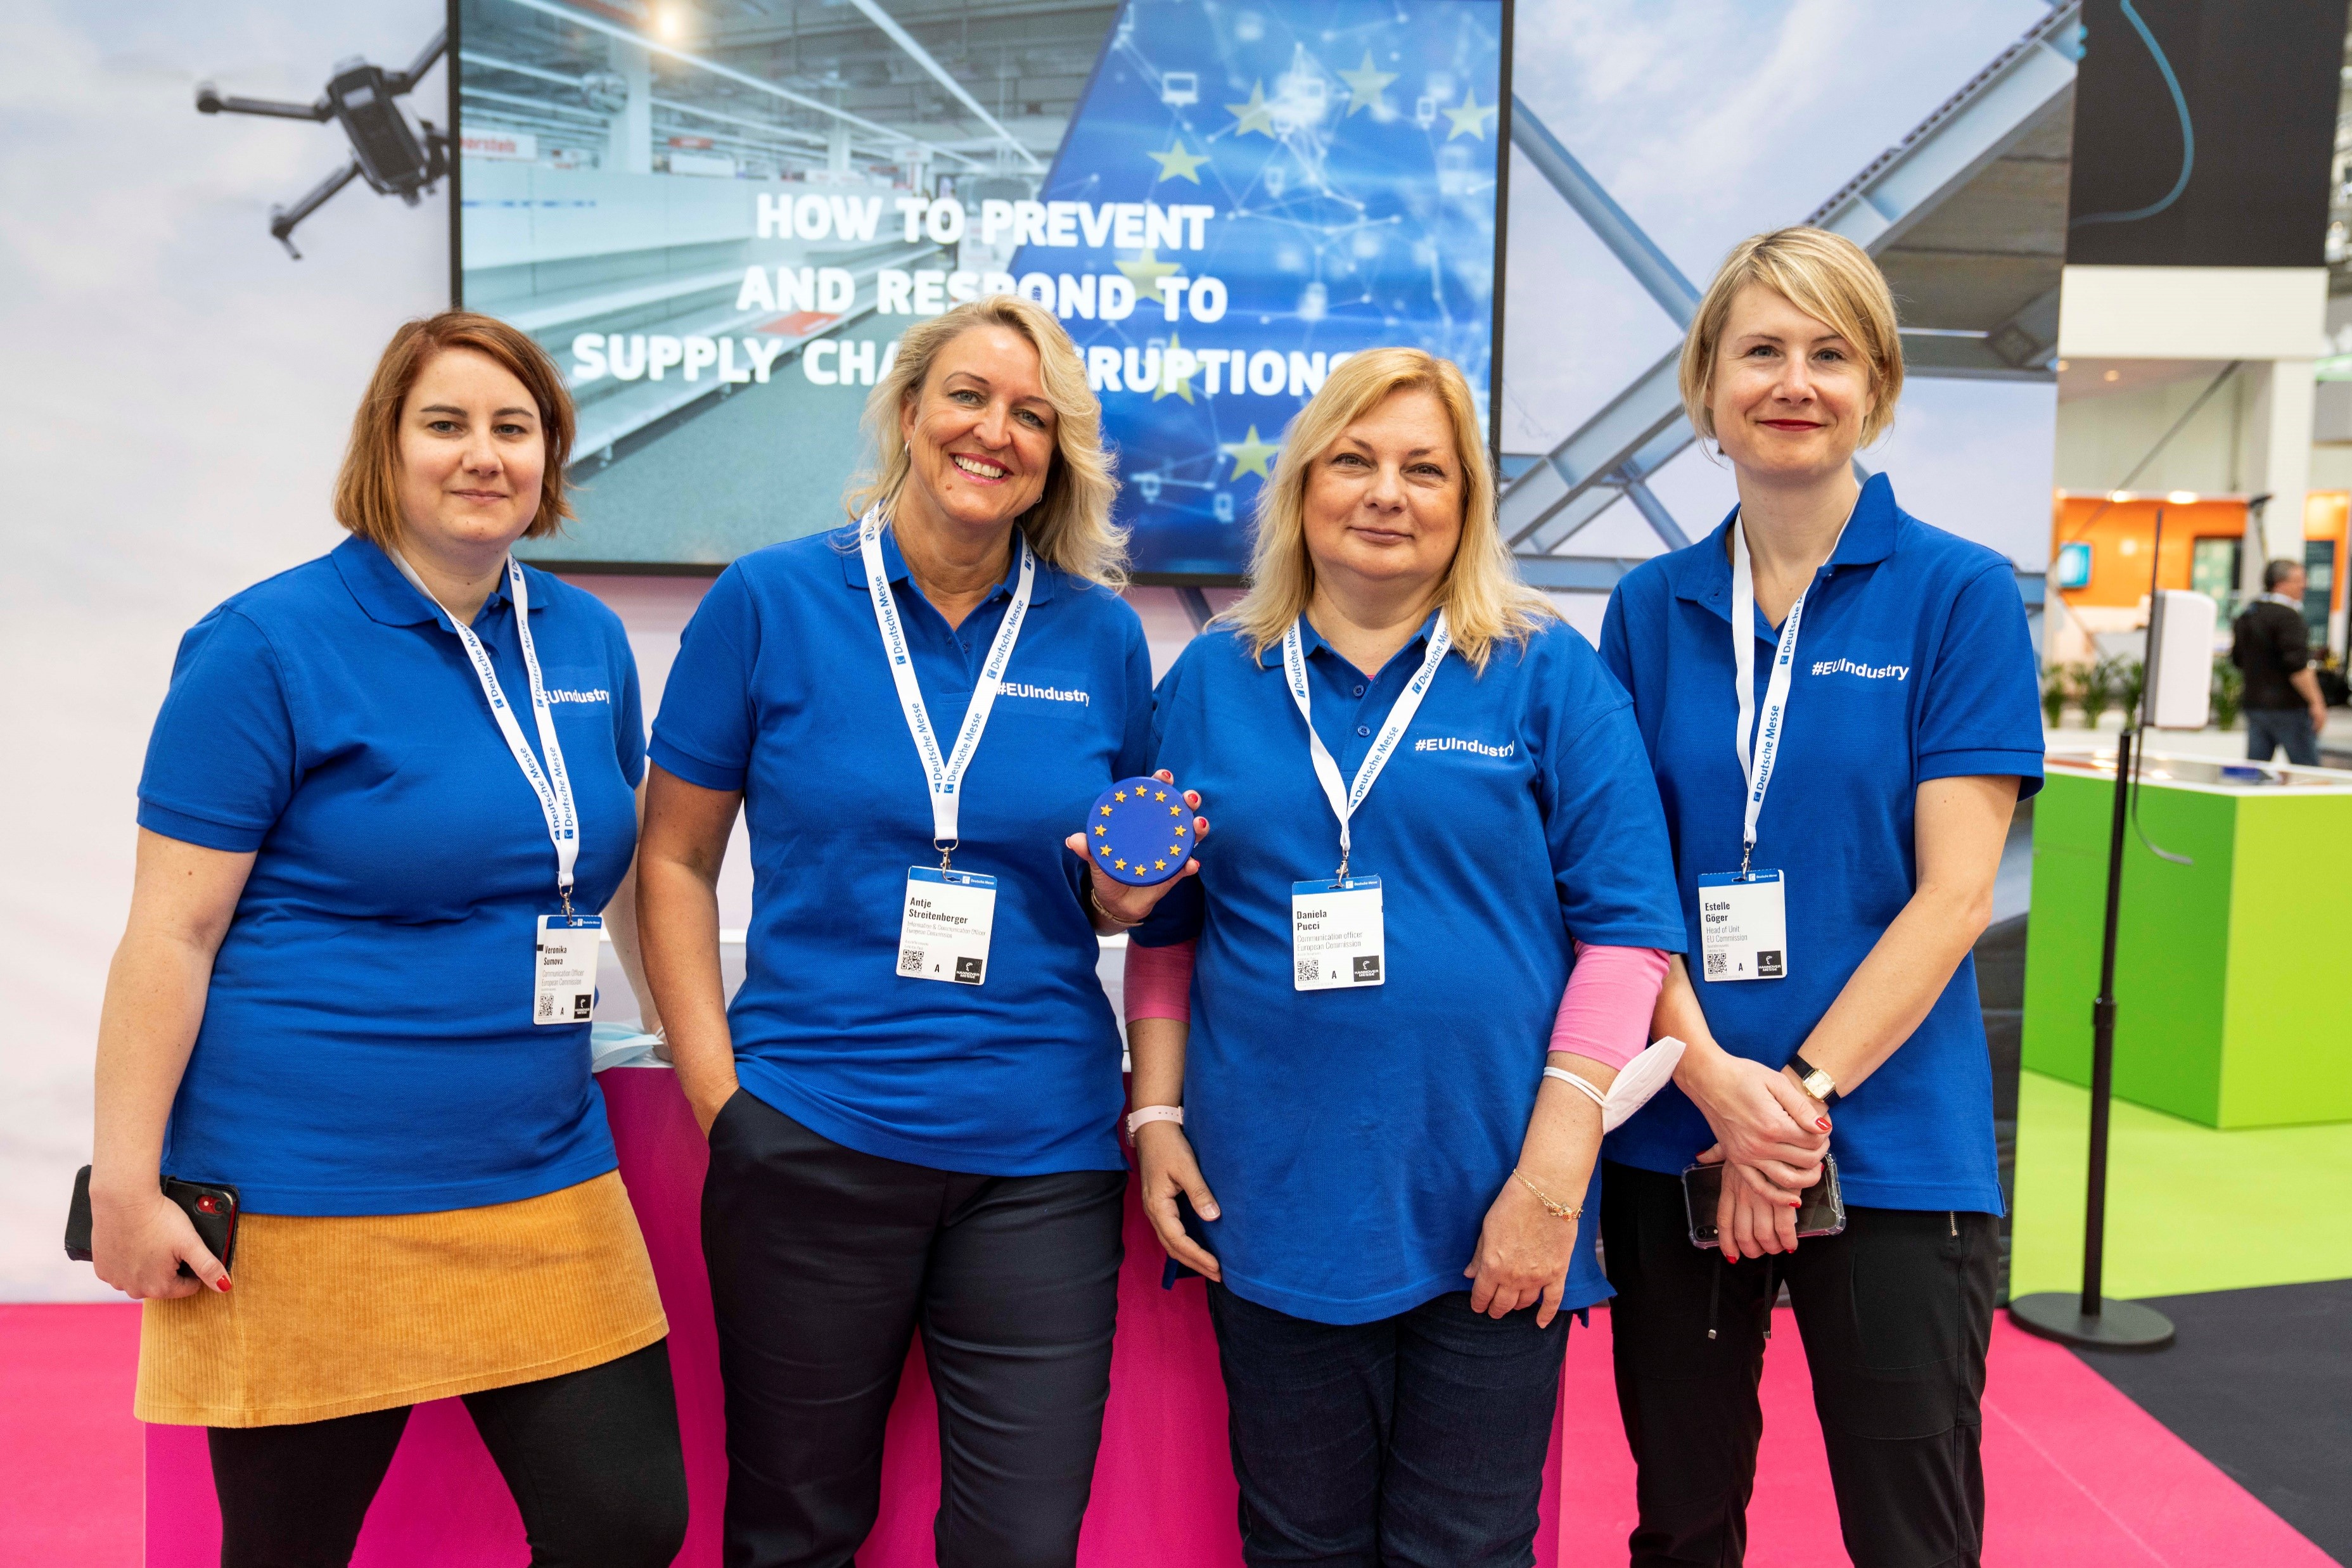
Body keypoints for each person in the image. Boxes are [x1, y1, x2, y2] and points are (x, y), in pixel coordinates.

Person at [87, 312, 687, 1567]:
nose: (483, 454)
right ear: (385, 448)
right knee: (289, 1547)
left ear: (550, 456)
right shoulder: (264, 646)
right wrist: (128, 1183)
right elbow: (172, 931)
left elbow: (616, 870)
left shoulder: (580, 638)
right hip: (309, 1191)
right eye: (446, 424)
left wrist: (702, 1055)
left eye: (513, 428)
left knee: (626, 1521)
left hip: (540, 1174)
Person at [636, 295, 1201, 1568]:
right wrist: (718, 1091)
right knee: (795, 1527)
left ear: (1054, 453)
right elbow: (670, 855)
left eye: (1029, 414)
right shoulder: (769, 600)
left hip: (1038, 1160)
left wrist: (1120, 899)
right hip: (810, 1136)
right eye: (965, 394)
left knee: (1019, 1542)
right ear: (905, 410)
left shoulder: (1101, 636)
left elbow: (1110, 888)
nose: (991, 430)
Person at [1120, 348, 1689, 1568]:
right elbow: (1167, 933)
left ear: (1467, 503)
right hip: (1268, 1200)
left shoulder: (1545, 672)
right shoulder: (1211, 681)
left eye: (1424, 469)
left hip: (1494, 1194)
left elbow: (1629, 936)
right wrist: (1154, 1114)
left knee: (1468, 1548)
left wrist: (1547, 1186)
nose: (1387, 492)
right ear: (1302, 488)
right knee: (1295, 1544)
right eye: (1355, 461)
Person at [1597, 227, 2045, 1568]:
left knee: (1910, 1532)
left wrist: (1784, 1103)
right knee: (1681, 1516)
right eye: (1760, 351)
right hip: (1676, 1131)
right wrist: (1719, 1092)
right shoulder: (1647, 606)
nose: (1792, 381)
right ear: (1704, 388)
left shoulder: (1955, 592)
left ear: (1876, 385)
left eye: (1828, 353)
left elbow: (1954, 897)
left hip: (1896, 1142)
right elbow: (1625, 884)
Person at [2232, 558, 2327, 766]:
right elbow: (2298, 666)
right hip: (2288, 708)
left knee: (2256, 771)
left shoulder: (2248, 615)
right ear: (2281, 583)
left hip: (2255, 705)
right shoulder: (2288, 617)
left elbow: (2238, 659)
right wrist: (2316, 702)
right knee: (2308, 773)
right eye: (2299, 580)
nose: (2305, 585)